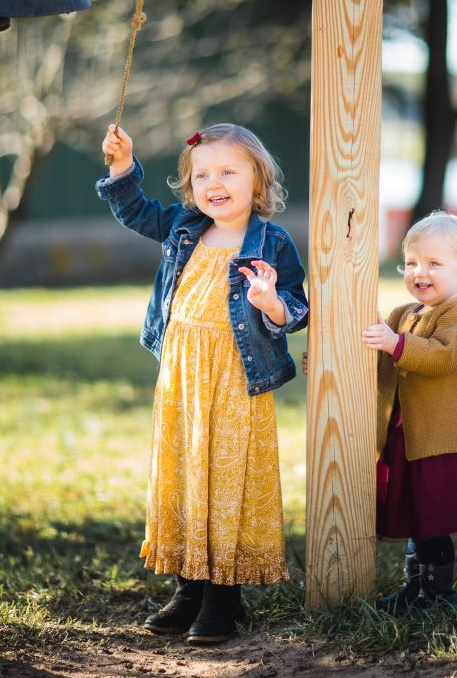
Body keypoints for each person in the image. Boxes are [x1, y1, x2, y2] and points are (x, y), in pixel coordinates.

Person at [98, 123, 308, 644]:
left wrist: (271, 304)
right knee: (186, 473)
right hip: (182, 378)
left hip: (236, 380)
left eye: (228, 171)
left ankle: (224, 599)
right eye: (201, 174)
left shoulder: (271, 241)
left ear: (257, 178)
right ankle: (188, 588)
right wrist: (122, 166)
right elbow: (135, 211)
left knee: (226, 477)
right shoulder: (184, 229)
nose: (213, 183)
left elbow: (297, 309)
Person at [361, 211, 457, 612]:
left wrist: (395, 345)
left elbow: (441, 358)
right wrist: (337, 364)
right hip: (405, 437)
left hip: (440, 440)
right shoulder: (403, 315)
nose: (421, 272)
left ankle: (439, 596)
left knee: (432, 523)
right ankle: (413, 589)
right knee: (415, 518)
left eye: (434, 263)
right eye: (413, 262)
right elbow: (382, 361)